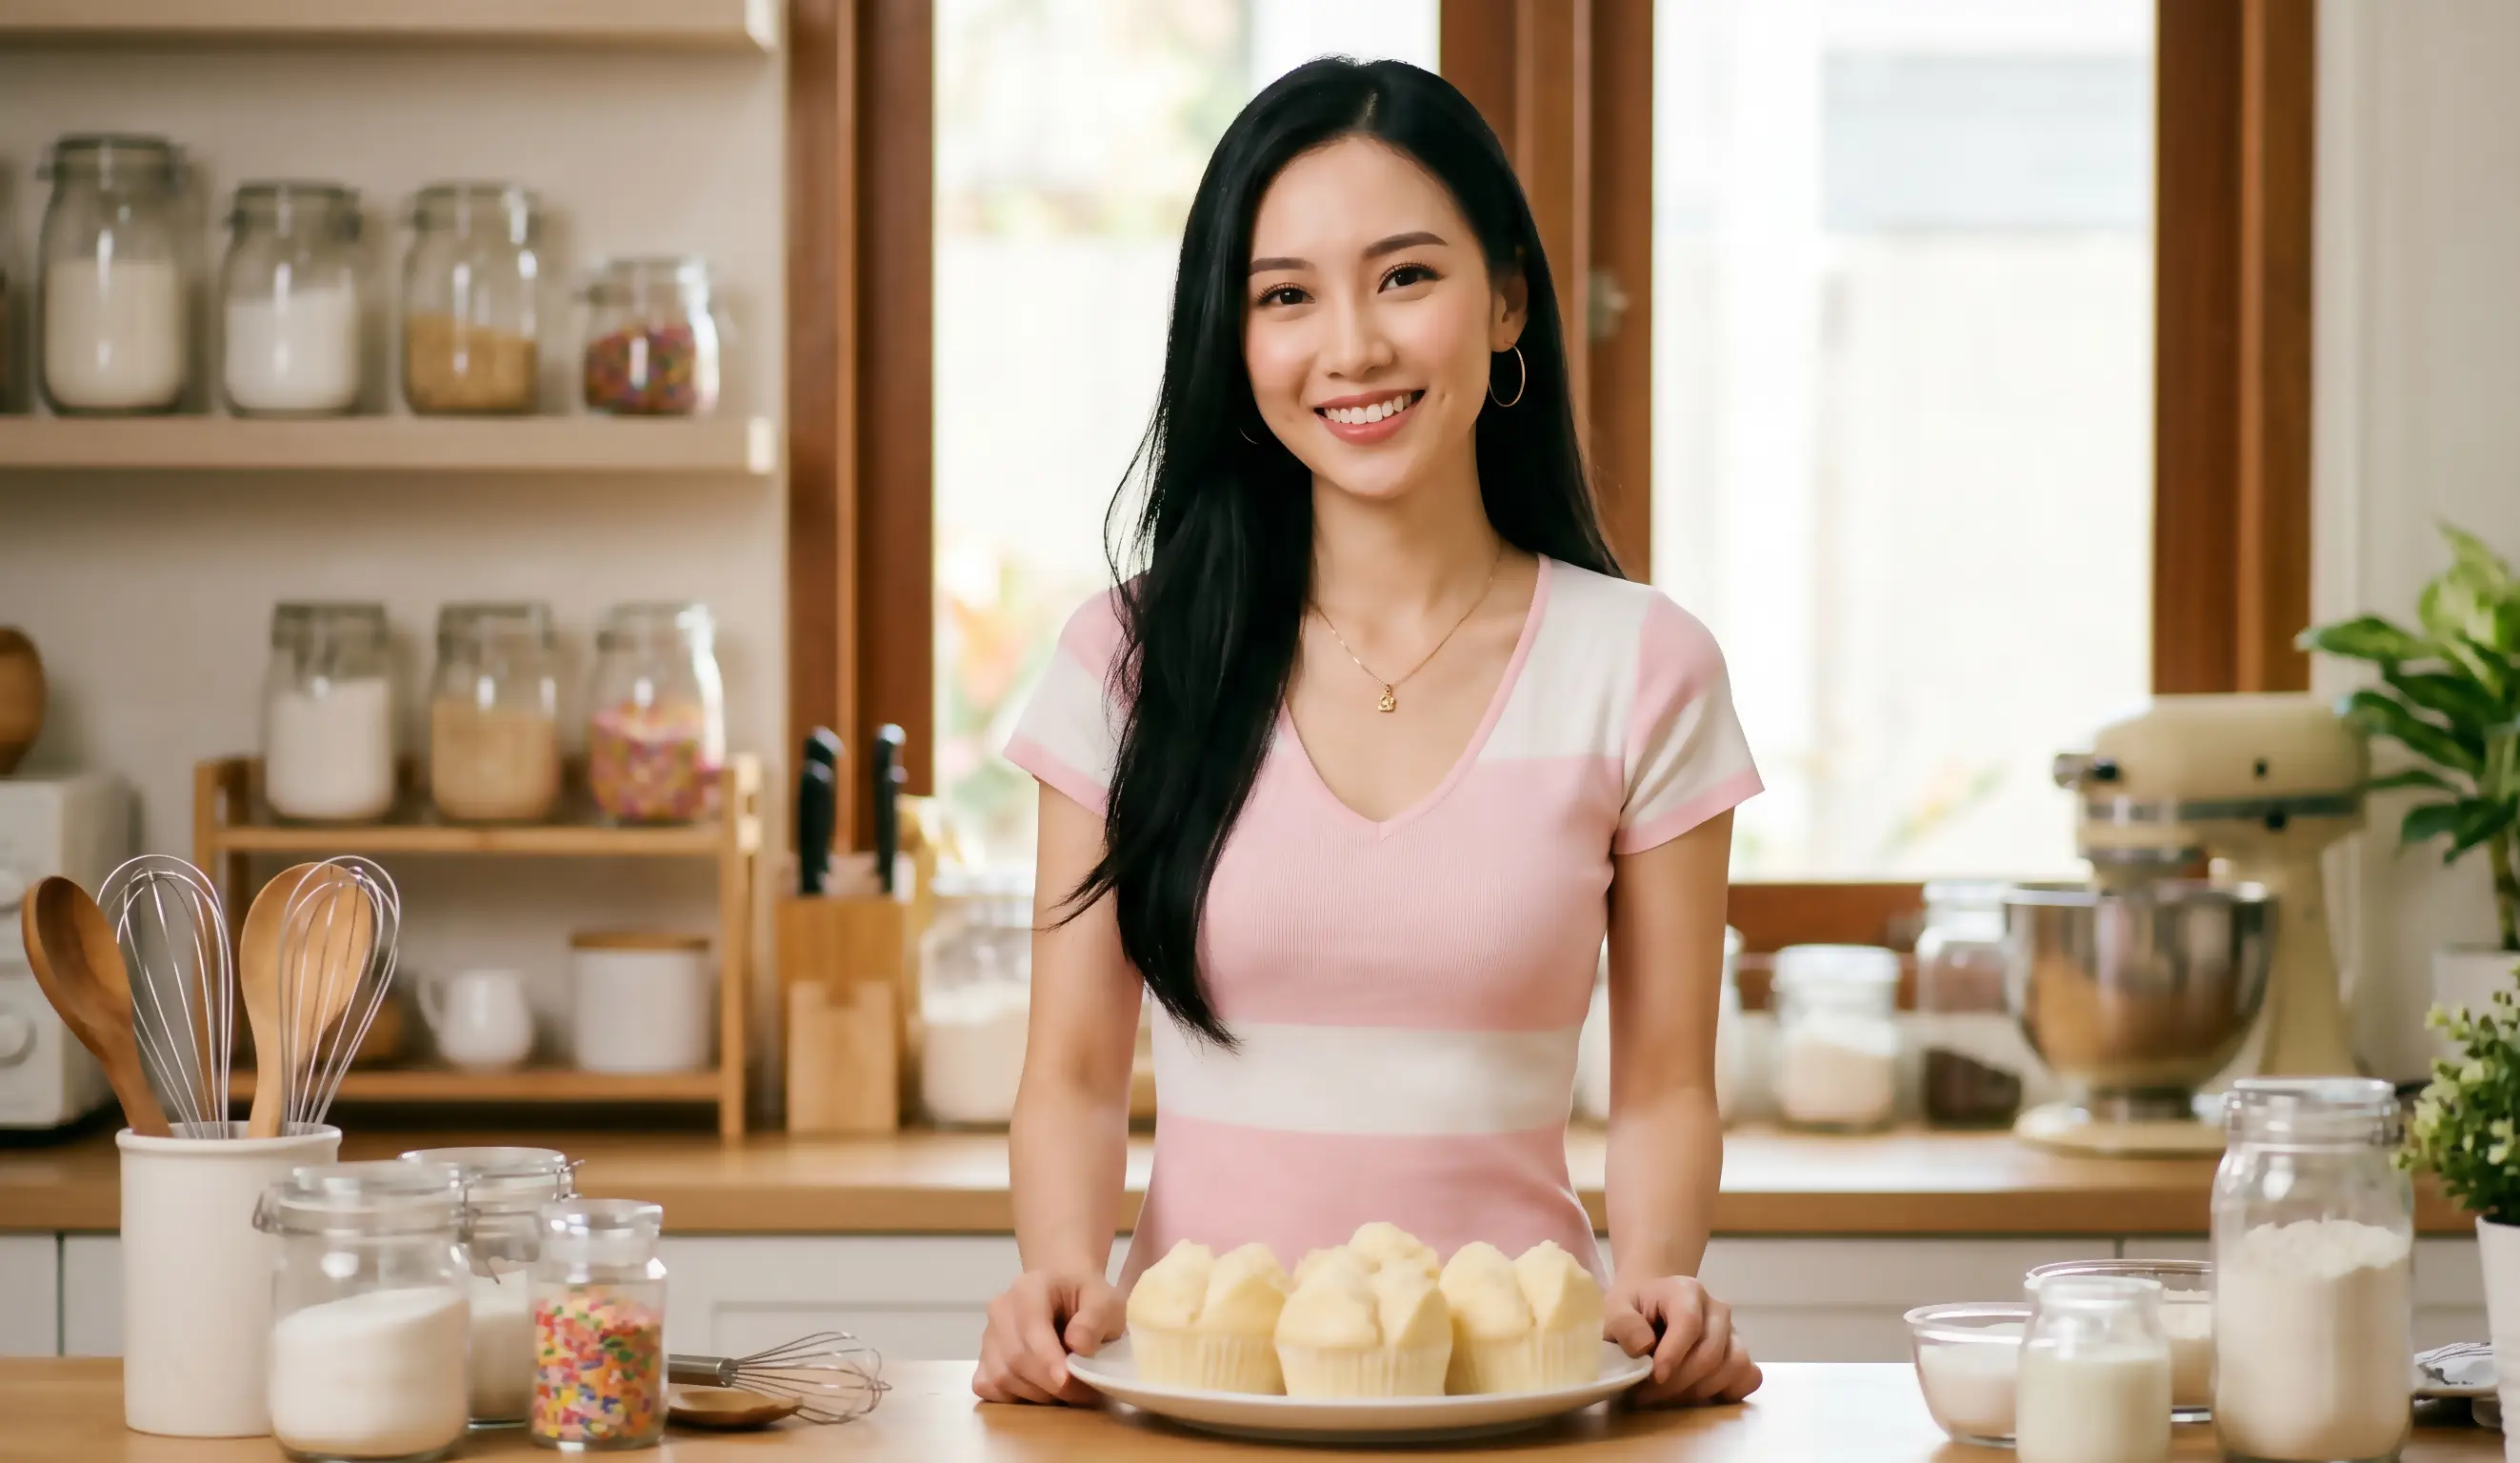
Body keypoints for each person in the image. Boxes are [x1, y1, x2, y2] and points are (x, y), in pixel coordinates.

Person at [975, 56, 1764, 1411]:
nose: (1351, 348)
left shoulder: (1643, 668)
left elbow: (1662, 1089)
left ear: (1507, 299)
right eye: (1285, 296)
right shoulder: (1125, 663)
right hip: (1194, 1403)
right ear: (1233, 342)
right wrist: (1056, 1273)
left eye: (1404, 276)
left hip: (1517, 1403)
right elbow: (1073, 1074)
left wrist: (1658, 1279)